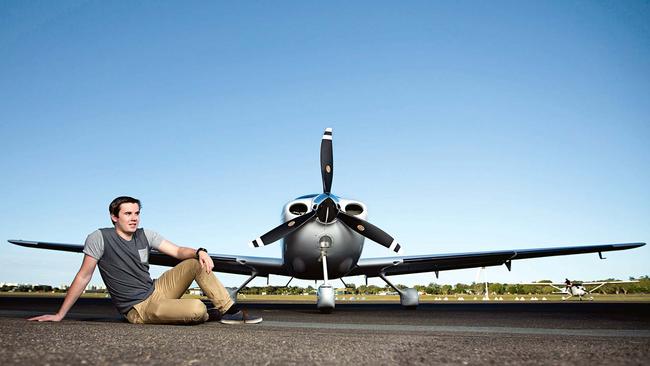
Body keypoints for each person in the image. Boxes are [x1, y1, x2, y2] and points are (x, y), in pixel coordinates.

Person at [28, 196, 261, 325]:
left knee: (193, 263)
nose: (134, 218)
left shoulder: (146, 234)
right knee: (197, 309)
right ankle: (208, 312)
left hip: (156, 289)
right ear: (114, 216)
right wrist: (60, 314)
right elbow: (84, 276)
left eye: (137, 213)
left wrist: (200, 250)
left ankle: (228, 310)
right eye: (128, 213)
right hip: (138, 308)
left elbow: (178, 251)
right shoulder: (99, 238)